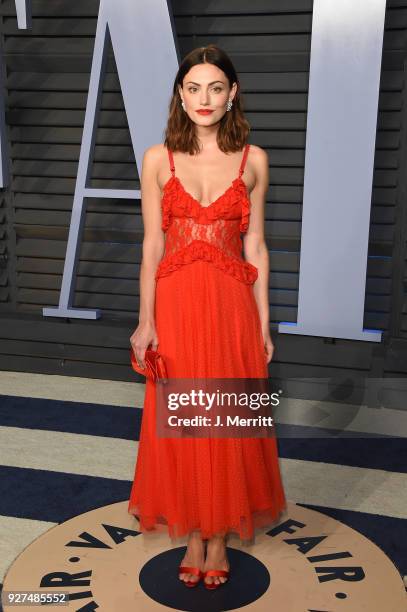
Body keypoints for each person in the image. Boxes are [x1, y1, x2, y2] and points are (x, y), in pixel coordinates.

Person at [128, 44, 287, 590]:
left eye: (215, 88)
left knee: (225, 418)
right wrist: (145, 321)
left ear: (232, 94)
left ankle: (217, 538)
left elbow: (258, 247)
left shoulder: (254, 160)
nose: (204, 98)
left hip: (231, 309)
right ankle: (193, 531)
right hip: (173, 307)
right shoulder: (157, 159)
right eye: (193, 88)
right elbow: (152, 246)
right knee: (182, 421)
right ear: (179, 94)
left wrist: (264, 323)